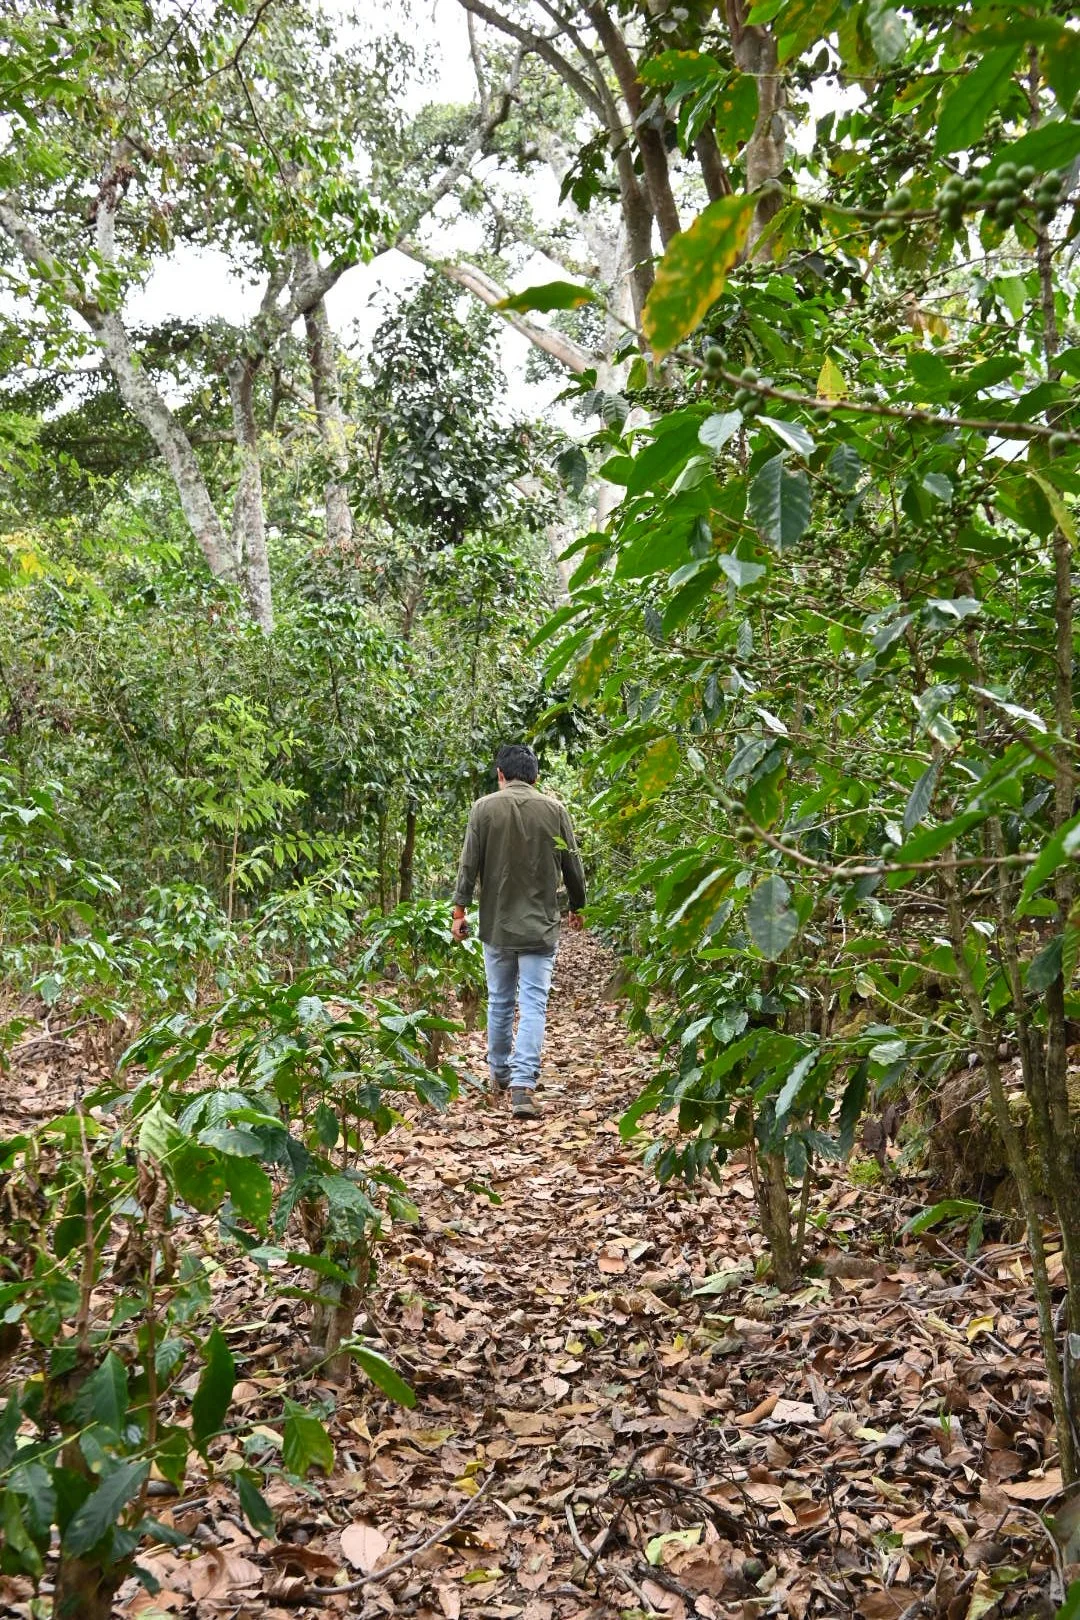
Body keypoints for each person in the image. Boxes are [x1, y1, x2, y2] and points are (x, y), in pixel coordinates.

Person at [451, 744, 586, 1121]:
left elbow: (468, 864)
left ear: (500, 774)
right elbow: (572, 865)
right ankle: (523, 1086)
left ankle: (499, 1074)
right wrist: (579, 906)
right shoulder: (555, 811)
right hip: (541, 927)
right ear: (535, 777)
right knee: (533, 1005)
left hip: (496, 924)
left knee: (499, 1001)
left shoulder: (483, 809)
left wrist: (459, 911)